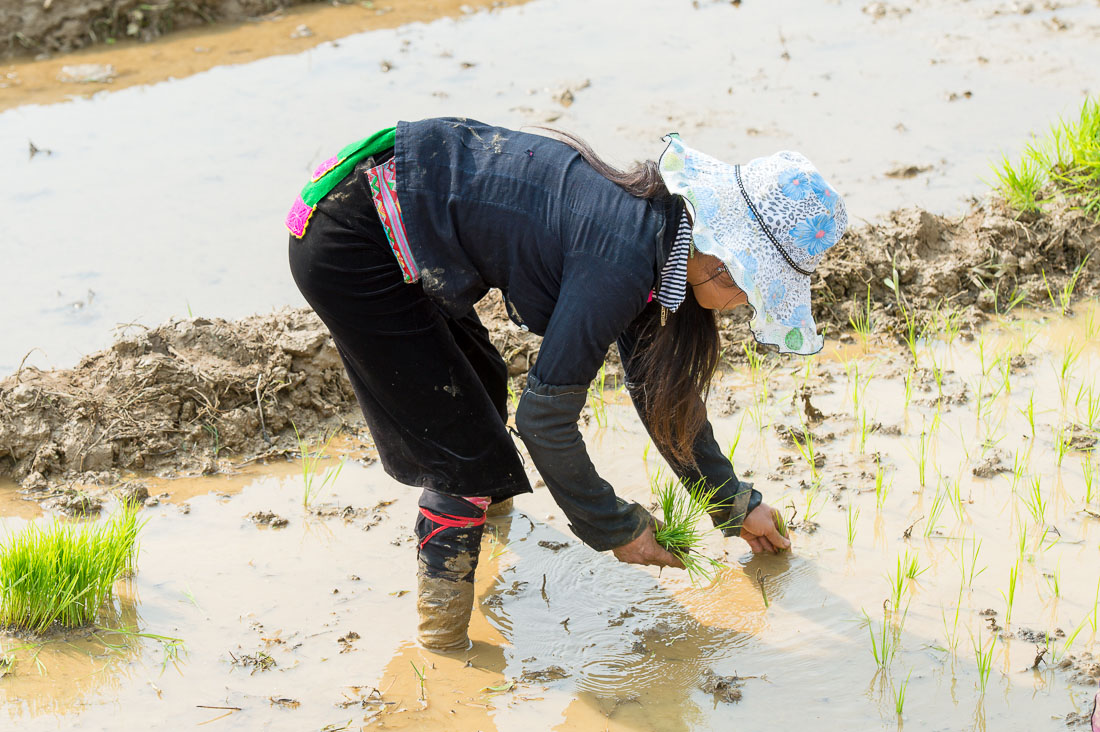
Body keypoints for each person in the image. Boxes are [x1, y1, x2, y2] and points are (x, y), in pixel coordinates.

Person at [286, 118, 847, 652]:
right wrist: (616, 527)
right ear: (726, 261)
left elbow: (659, 391)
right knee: (461, 450)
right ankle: (446, 643)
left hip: (397, 203)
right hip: (353, 237)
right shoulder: (620, 258)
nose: (748, 303)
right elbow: (544, 421)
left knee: (481, 380)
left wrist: (732, 503)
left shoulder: (662, 236)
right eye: (755, 287)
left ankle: (490, 520)